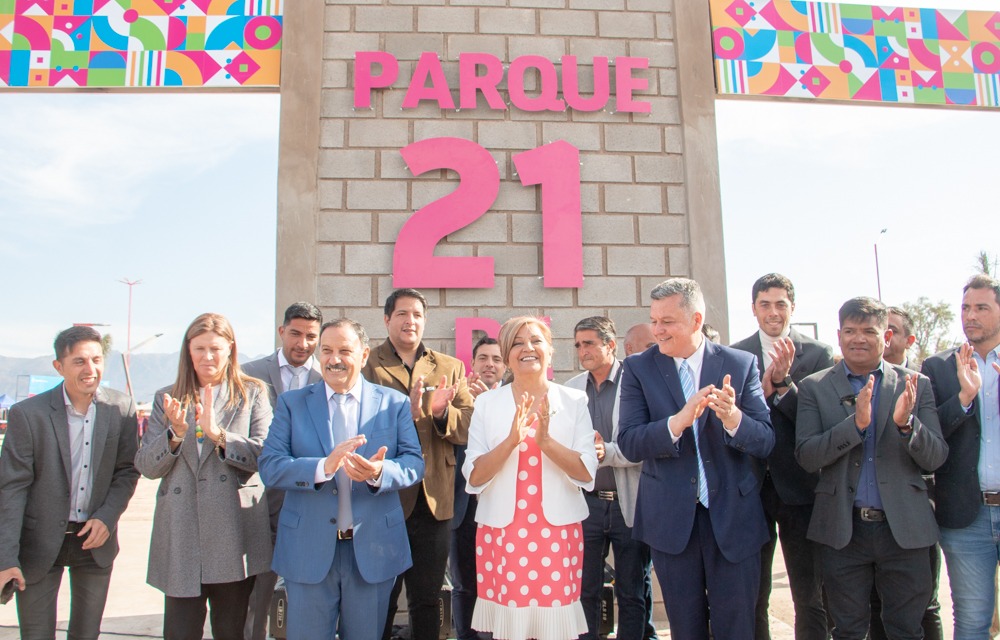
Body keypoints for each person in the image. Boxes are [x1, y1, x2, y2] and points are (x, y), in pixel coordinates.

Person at [618, 277, 775, 639]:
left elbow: (766, 441)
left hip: (734, 522)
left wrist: (734, 418)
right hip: (672, 525)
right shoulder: (638, 369)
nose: (657, 330)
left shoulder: (741, 363)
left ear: (695, 320)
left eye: (667, 321)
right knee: (686, 630)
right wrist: (677, 422)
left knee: (737, 628)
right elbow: (629, 442)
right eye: (654, 320)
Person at [259, 319, 424, 639]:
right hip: (308, 547)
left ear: (363, 356)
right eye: (327, 351)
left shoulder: (394, 403)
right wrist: (321, 467)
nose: (334, 359)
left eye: (344, 351)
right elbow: (270, 465)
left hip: (373, 548)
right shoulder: (292, 404)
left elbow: (414, 464)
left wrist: (379, 472)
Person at [795, 297, 948, 640]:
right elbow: (807, 456)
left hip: (904, 532)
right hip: (842, 531)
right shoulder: (814, 388)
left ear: (887, 335)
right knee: (847, 631)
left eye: (868, 330)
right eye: (850, 330)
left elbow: (936, 456)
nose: (858, 338)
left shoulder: (915, 384)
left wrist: (908, 426)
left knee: (906, 630)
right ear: (838, 335)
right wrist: (855, 426)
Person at [135, 313, 273, 640]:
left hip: (233, 533)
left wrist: (219, 435)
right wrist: (175, 434)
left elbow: (266, 456)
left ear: (230, 350)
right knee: (180, 631)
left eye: (215, 348)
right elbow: (146, 466)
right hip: (182, 534)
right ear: (188, 351)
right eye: (200, 348)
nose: (207, 356)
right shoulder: (166, 398)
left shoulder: (252, 393)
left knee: (230, 630)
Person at [0, 326, 140, 640]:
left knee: (86, 634)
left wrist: (107, 516)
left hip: (94, 542)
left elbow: (127, 472)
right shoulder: (28, 415)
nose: (91, 370)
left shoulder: (121, 408)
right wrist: (5, 558)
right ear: (59, 367)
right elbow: (11, 488)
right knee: (36, 635)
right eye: (79, 361)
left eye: (96, 359)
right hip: (38, 543)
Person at [463, 316, 598, 640]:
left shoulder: (574, 401)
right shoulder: (486, 403)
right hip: (502, 534)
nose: (528, 348)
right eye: (518, 343)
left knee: (555, 630)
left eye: (536, 340)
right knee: (509, 631)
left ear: (550, 350)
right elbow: (474, 477)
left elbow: (586, 473)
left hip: (557, 532)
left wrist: (546, 442)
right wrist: (510, 441)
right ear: (508, 355)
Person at [363, 289, 475, 640]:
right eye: (402, 314)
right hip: (382, 498)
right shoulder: (368, 364)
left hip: (433, 498)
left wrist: (442, 413)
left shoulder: (449, 366)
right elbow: (355, 423)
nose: (410, 321)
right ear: (387, 319)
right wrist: (405, 416)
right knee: (379, 596)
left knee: (427, 598)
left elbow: (469, 426)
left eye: (417, 315)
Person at [730, 273, 835, 640]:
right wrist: (761, 390)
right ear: (754, 308)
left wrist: (783, 384)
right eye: (765, 304)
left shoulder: (818, 353)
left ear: (793, 307)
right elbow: (732, 420)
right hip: (752, 487)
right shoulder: (737, 353)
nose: (773, 312)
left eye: (780, 304)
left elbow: (818, 419)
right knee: (756, 593)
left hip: (802, 488)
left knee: (809, 593)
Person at [565, 316, 657, 640]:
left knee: (631, 593)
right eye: (578, 344)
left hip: (629, 505)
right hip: (586, 505)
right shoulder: (571, 390)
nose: (582, 350)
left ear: (610, 345)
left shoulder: (638, 382)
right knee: (584, 592)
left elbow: (645, 443)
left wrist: (607, 453)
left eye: (589, 343)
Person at [921, 274, 1000, 639]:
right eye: (966, 307)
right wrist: (964, 399)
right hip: (966, 517)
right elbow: (928, 438)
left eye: (981, 307)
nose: (971, 315)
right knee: (971, 622)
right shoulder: (938, 368)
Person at [240, 301, 323, 640]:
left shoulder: (327, 376)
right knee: (257, 592)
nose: (302, 343)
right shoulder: (249, 373)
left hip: (311, 498)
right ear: (281, 331)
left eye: (310, 336)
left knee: (309, 592)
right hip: (261, 497)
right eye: (295, 334)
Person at [869, 304, 943, 640]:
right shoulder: (857, 382)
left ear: (907, 339)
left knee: (923, 608)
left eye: (892, 330)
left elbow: (938, 448)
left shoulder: (926, 382)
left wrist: (907, 423)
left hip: (915, 514)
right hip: (867, 525)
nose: (883, 336)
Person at [451, 336, 507, 640]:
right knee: (465, 585)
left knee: (502, 583)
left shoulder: (514, 401)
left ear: (505, 366)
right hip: (464, 507)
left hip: (504, 509)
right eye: (483, 358)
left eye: (496, 359)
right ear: (472, 364)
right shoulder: (457, 400)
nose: (490, 364)